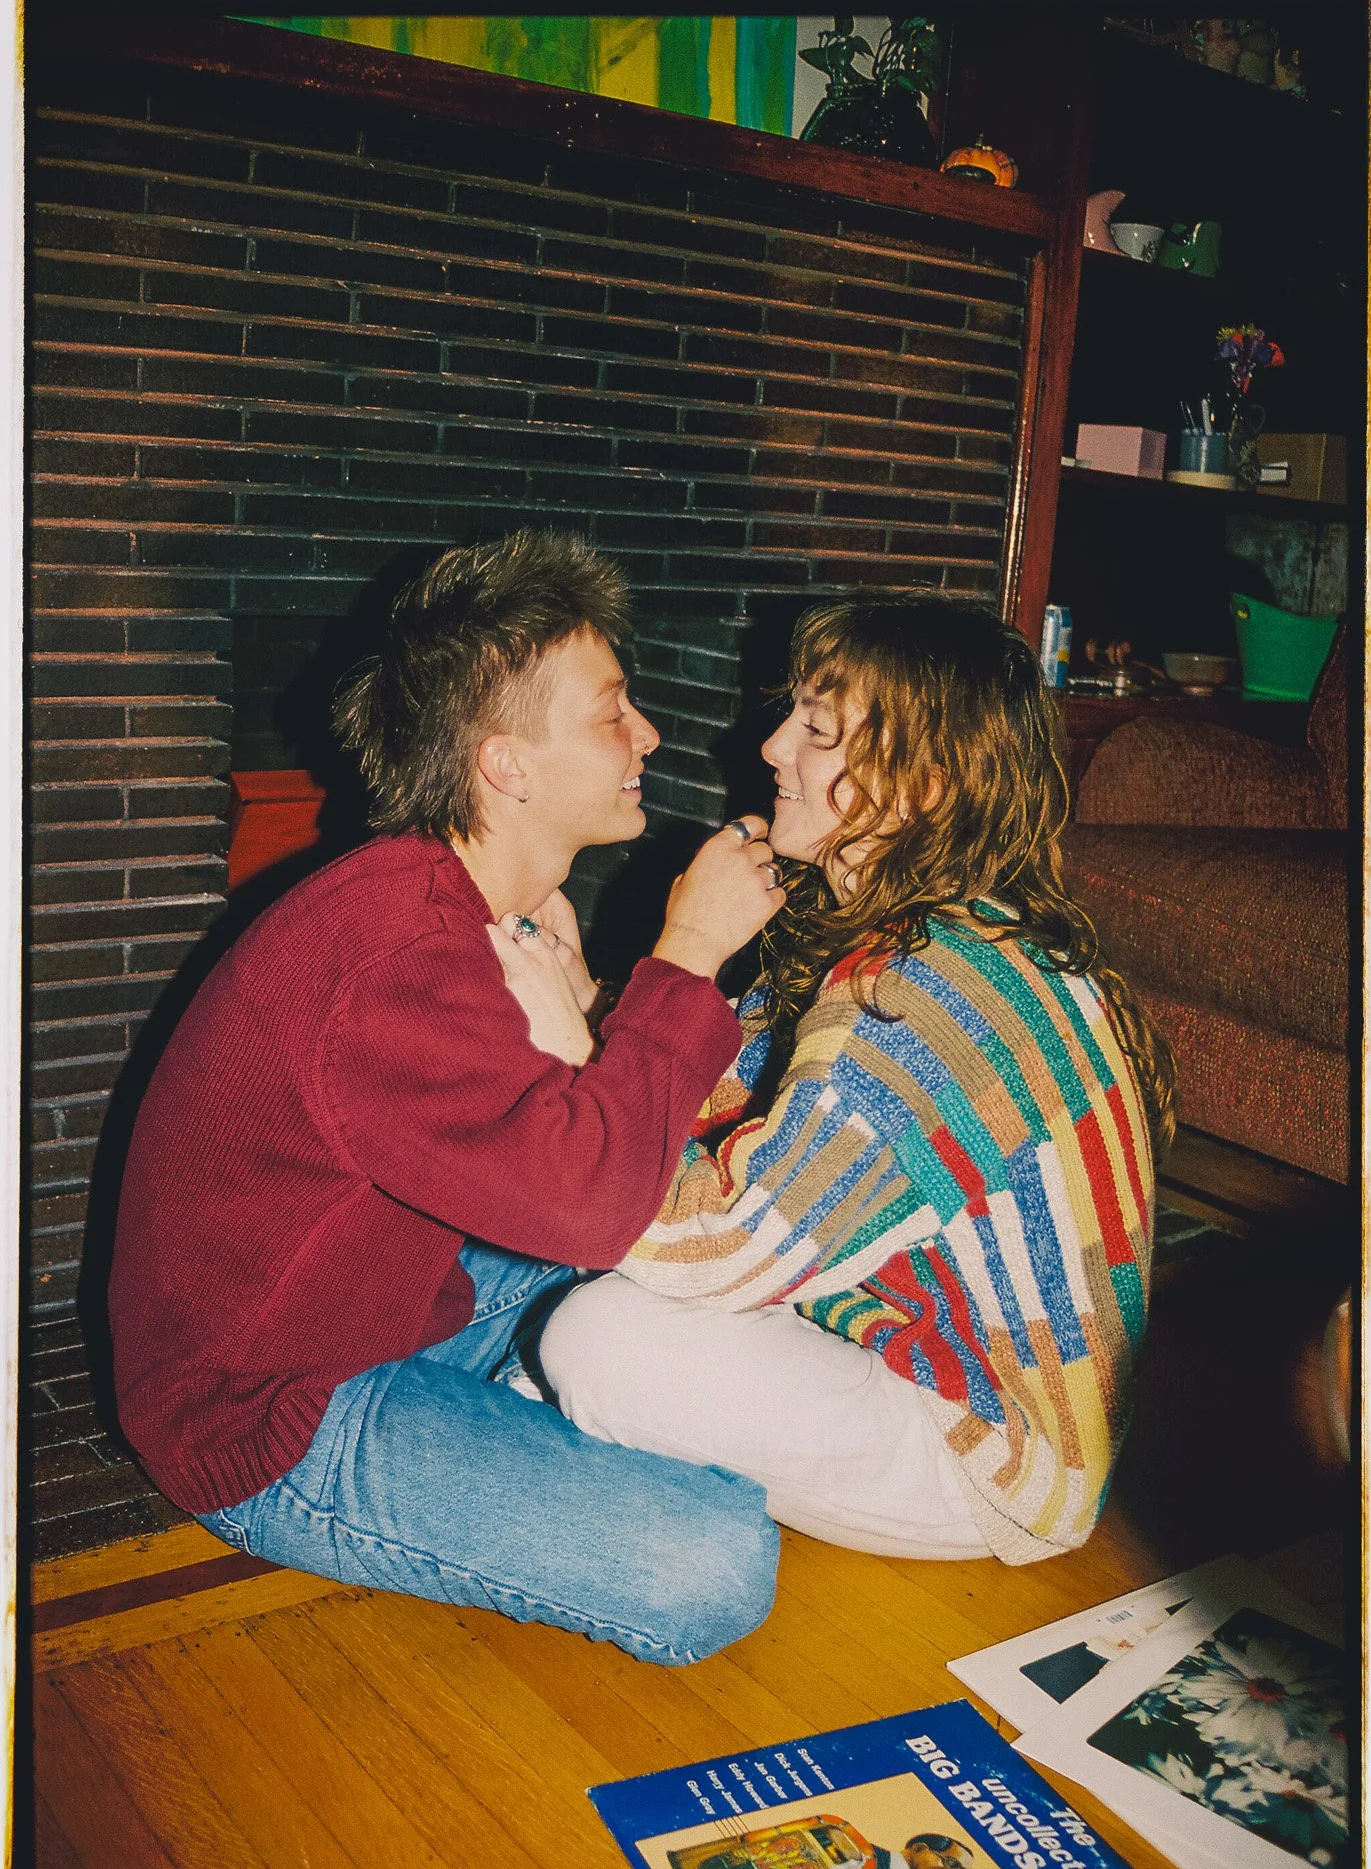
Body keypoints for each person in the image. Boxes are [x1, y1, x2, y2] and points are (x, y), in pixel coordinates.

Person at [108, 528, 787, 1666]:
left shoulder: (454, 907)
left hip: (398, 1296)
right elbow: (584, 1209)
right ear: (507, 762)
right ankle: (510, 1429)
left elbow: (582, 1154)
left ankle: (515, 1415)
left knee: (704, 1255)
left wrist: (598, 1004)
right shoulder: (396, 957)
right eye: (611, 710)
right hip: (267, 1409)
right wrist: (687, 955)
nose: (648, 735)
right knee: (715, 1561)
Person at [536, 597, 1173, 1567]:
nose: (774, 745)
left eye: (819, 729)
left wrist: (667, 964)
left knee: (595, 1336)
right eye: (791, 712)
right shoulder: (930, 923)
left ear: (921, 783)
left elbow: (714, 1243)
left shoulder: (924, 996)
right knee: (592, 1249)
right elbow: (724, 1082)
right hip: (880, 1322)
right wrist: (589, 997)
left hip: (992, 1453)